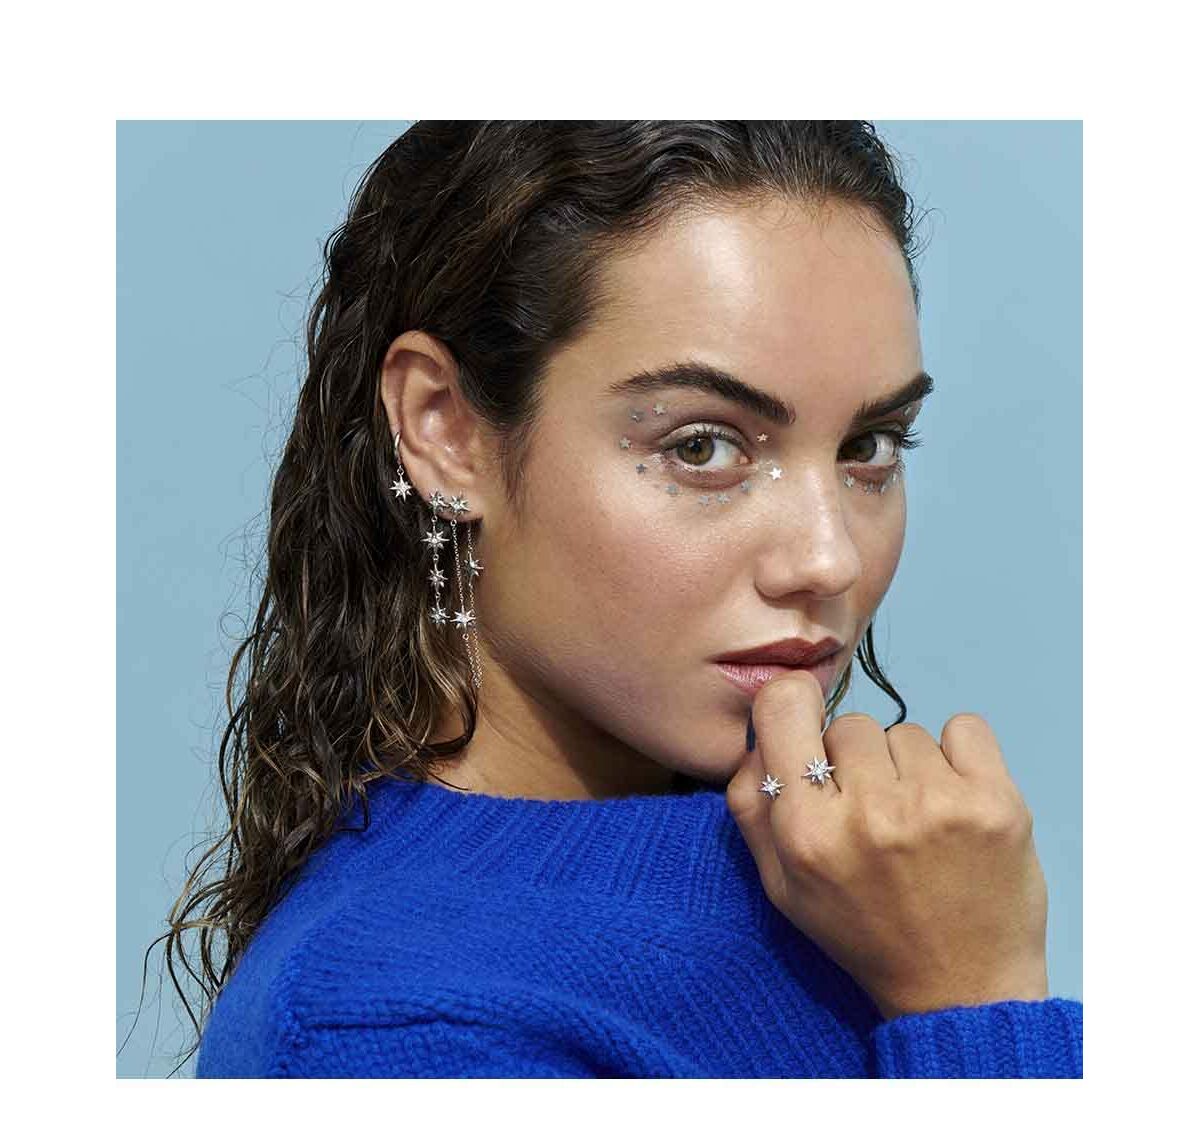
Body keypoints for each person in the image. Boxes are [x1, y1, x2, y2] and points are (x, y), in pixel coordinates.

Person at [163, 120, 1081, 1077]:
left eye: (869, 447)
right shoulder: (392, 1032)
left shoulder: (864, 881)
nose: (829, 558)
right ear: (444, 430)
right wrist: (976, 1001)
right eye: (702, 447)